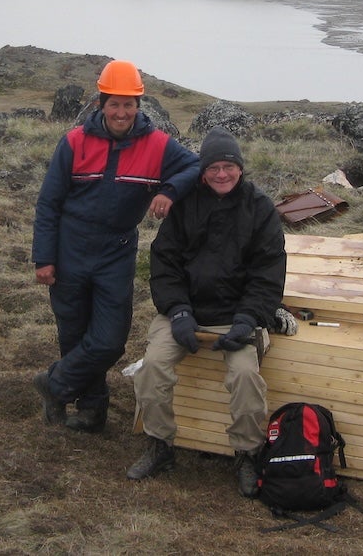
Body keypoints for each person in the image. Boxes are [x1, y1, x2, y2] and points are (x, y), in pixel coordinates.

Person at [32, 59, 201, 433]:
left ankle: (53, 385)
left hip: (116, 251)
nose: (122, 112)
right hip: (69, 248)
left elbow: (197, 166)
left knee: (109, 341)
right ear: (100, 104)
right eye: (115, 104)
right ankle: (92, 413)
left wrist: (169, 191)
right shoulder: (74, 142)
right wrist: (44, 258)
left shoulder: (157, 145)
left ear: (139, 107)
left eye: (129, 104)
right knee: (74, 334)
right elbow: (49, 203)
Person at [126, 126, 289, 497]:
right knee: (153, 367)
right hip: (185, 312)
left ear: (241, 169)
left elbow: (268, 275)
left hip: (237, 316)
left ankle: (247, 453)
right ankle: (160, 445)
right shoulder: (185, 205)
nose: (221, 174)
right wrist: (180, 313)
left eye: (228, 166)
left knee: (246, 376)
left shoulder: (260, 209)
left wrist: (248, 319)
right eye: (213, 167)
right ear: (202, 171)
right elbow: (164, 263)